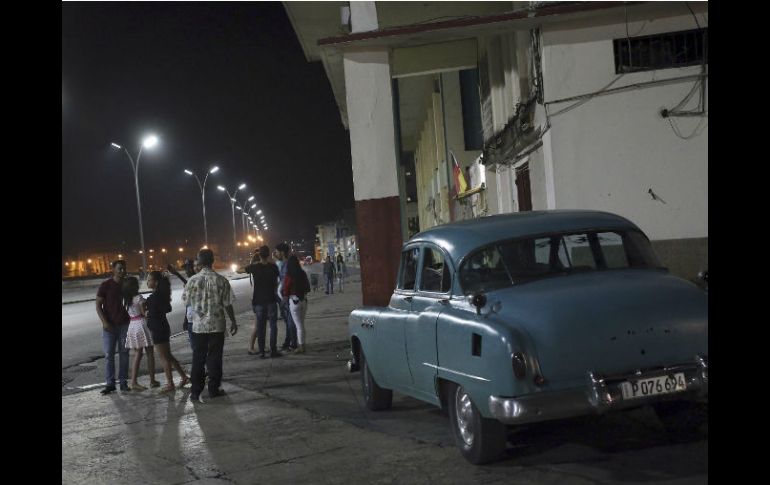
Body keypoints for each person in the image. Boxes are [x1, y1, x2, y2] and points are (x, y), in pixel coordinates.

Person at [182, 248, 238, 403]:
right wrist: (233, 320)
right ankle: (213, 389)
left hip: (198, 326)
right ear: (213, 260)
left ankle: (195, 391)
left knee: (198, 358)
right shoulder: (221, 280)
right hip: (217, 326)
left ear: (199, 261)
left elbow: (186, 301)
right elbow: (227, 304)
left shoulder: (192, 281)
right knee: (214, 358)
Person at [146, 271, 189, 393]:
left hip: (158, 329)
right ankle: (184, 377)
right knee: (168, 356)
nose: (147, 282)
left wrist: (148, 313)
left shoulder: (154, 297)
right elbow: (167, 308)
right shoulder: (161, 295)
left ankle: (170, 383)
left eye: (149, 279)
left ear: (156, 282)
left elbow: (153, 312)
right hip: (163, 327)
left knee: (163, 357)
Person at [96, 260, 130, 394]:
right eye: (119, 269)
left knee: (125, 354)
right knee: (109, 354)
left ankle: (123, 382)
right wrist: (104, 322)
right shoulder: (106, 285)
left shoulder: (128, 286)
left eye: (124, 269)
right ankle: (110, 383)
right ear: (113, 270)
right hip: (109, 326)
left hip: (125, 325)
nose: (122, 271)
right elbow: (98, 305)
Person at [243, 245, 281, 358]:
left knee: (260, 327)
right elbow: (277, 281)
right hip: (271, 300)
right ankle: (273, 350)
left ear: (259, 255)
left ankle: (262, 352)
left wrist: (252, 264)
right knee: (273, 326)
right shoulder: (273, 267)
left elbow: (238, 270)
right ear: (269, 254)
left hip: (259, 301)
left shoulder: (255, 267)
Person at [122, 276, 159, 391]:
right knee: (149, 353)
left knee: (137, 353)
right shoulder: (139, 298)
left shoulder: (125, 300)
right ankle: (152, 380)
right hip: (142, 325)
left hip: (132, 325)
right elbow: (144, 313)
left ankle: (133, 381)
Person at [282, 255, 311, 354]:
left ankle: (301, 347)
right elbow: (308, 287)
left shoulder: (289, 275)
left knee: (299, 325)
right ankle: (302, 345)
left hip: (294, 301)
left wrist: (284, 300)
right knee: (301, 325)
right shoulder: (302, 273)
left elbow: (285, 290)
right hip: (304, 300)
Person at [275, 242, 297, 351]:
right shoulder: (283, 264)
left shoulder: (286, 264)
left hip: (286, 297)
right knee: (288, 320)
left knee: (290, 321)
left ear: (282, 252)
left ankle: (293, 343)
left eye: (277, 252)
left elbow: (286, 282)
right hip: (284, 297)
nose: (276, 254)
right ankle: (289, 342)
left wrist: (284, 296)